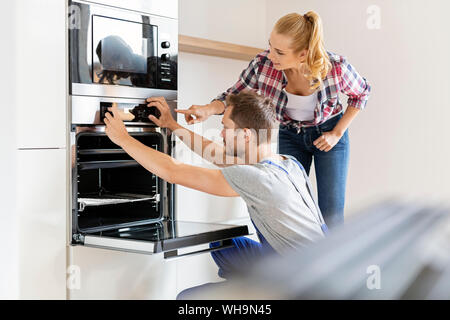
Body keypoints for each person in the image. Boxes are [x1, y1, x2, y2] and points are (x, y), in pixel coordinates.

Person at [104, 90, 326, 283]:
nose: (220, 134)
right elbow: (216, 154)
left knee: (188, 299)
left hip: (302, 282)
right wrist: (171, 125)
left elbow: (173, 172)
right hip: (320, 264)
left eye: (225, 128)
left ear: (246, 135)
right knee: (225, 244)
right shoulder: (288, 163)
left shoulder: (258, 179)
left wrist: (123, 138)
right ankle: (256, 287)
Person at [176, 11, 371, 228]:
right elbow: (234, 96)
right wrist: (208, 109)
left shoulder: (335, 67)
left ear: (303, 54)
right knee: (285, 202)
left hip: (328, 135)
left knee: (331, 213)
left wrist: (337, 133)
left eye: (279, 52)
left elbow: (361, 93)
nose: (271, 55)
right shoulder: (263, 65)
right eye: (270, 46)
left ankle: (333, 261)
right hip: (290, 134)